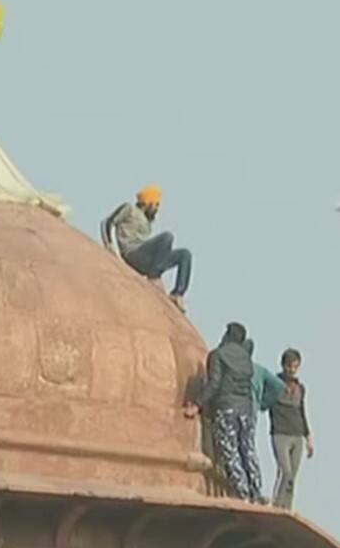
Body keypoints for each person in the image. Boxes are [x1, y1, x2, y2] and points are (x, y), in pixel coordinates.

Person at [185, 322, 266, 503]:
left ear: (228, 335)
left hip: (226, 407)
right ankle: (256, 491)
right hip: (246, 409)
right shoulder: (246, 359)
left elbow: (214, 384)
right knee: (248, 449)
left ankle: (242, 492)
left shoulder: (218, 355)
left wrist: (197, 404)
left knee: (230, 451)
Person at [101, 185, 193, 313]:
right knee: (167, 237)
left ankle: (177, 294)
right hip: (133, 253)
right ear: (148, 203)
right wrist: (109, 245)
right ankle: (154, 276)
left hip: (148, 260)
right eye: (156, 205)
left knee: (184, 254)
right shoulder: (130, 209)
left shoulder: (147, 220)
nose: (157, 209)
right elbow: (107, 222)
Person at [269, 348, 314, 510]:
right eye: (289, 366)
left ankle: (287, 507)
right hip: (280, 433)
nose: (292, 370)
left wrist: (308, 436)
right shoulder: (274, 383)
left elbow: (302, 411)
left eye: (295, 367)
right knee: (285, 471)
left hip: (297, 433)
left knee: (292, 476)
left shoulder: (300, 388)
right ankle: (276, 504)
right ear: (283, 366)